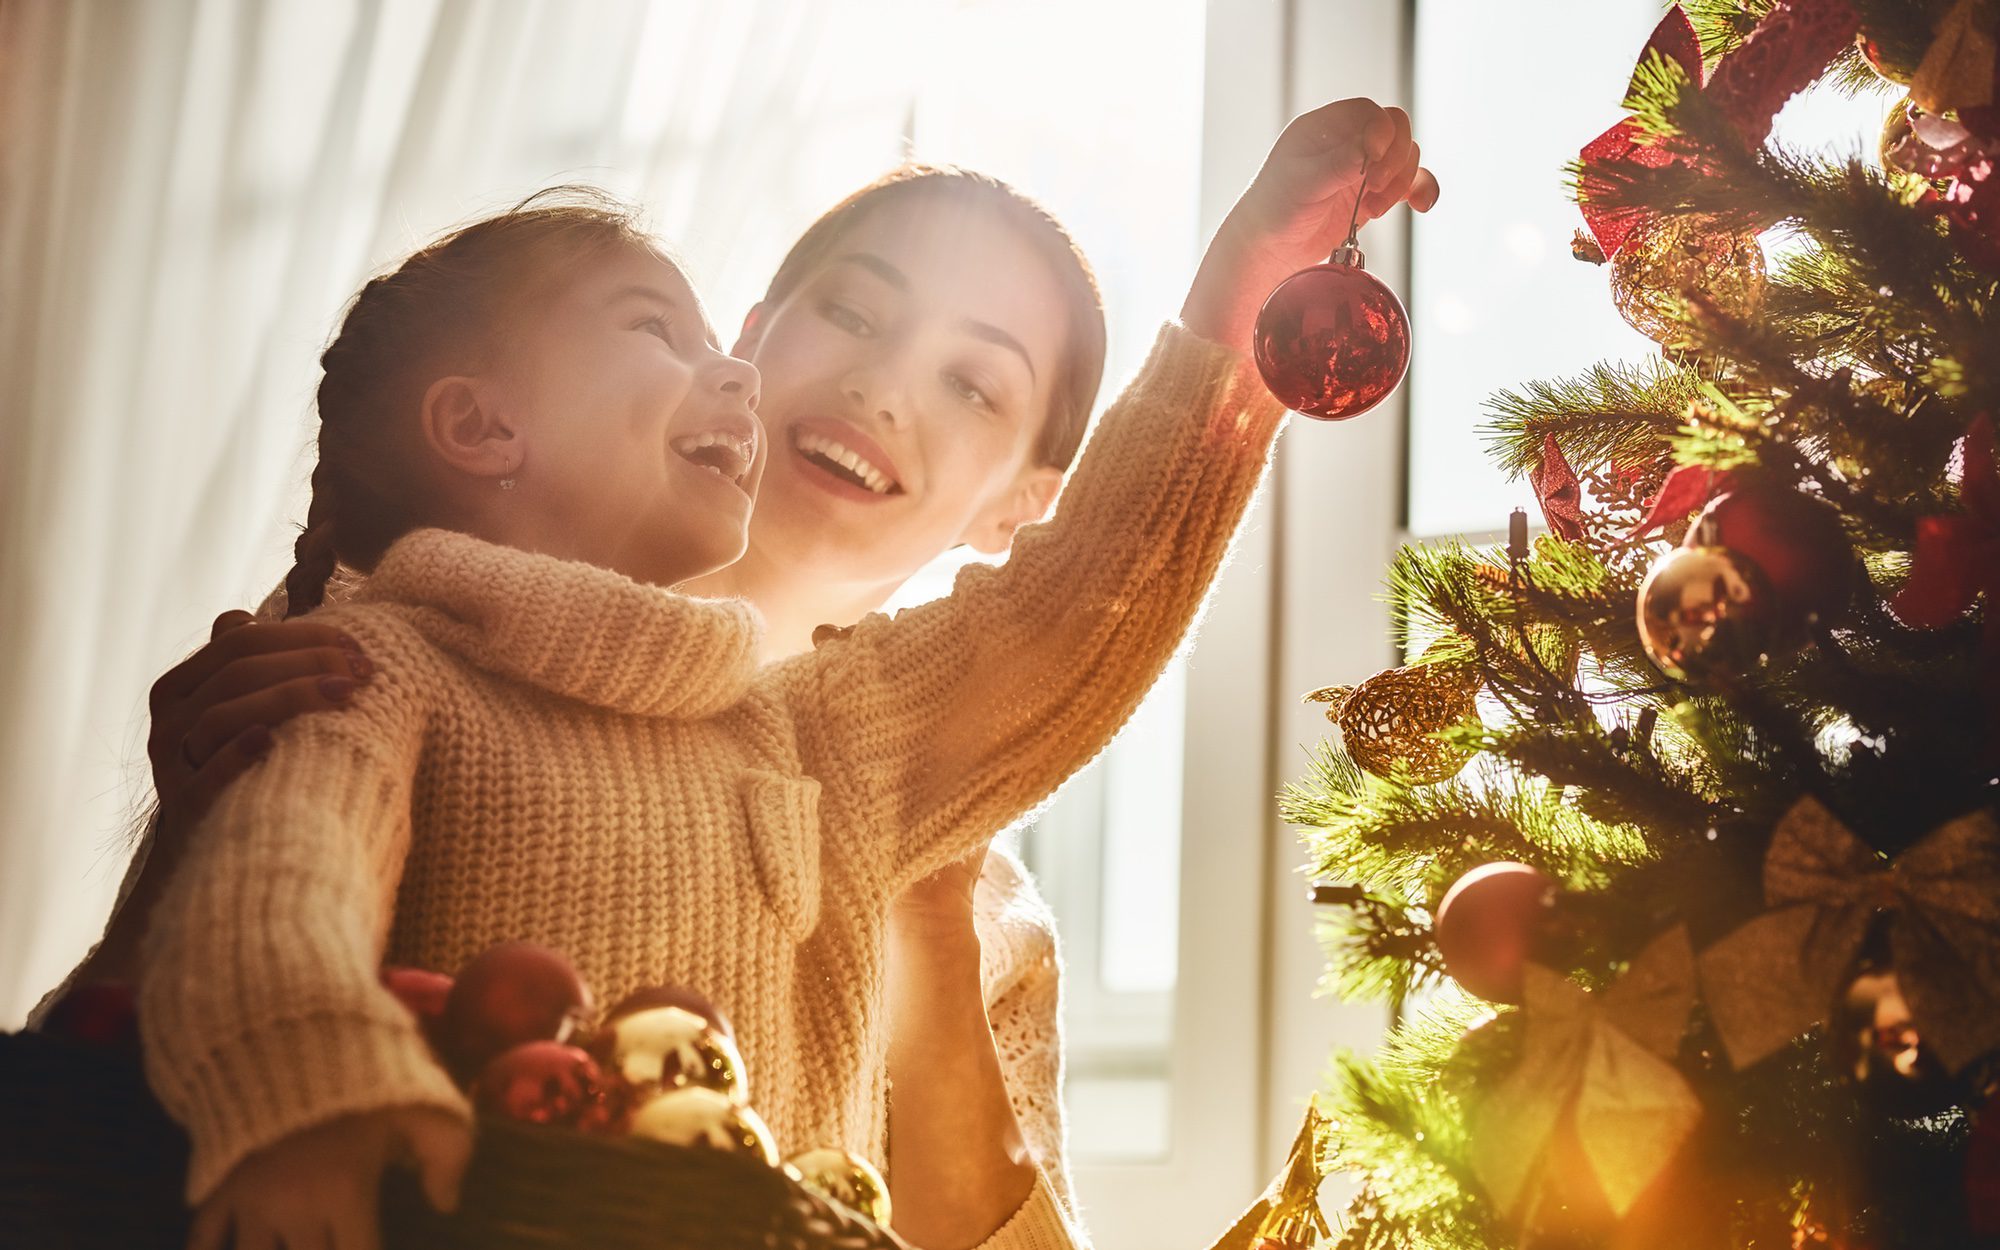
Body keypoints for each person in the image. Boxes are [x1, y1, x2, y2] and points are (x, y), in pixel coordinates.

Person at [81, 100, 1435, 1250]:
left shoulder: (897, 799)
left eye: (975, 384)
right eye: (852, 310)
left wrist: (1244, 302)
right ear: (748, 336)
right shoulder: (371, 656)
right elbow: (139, 1064)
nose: (885, 387)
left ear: (1023, 505)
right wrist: (218, 875)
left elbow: (1083, 609)